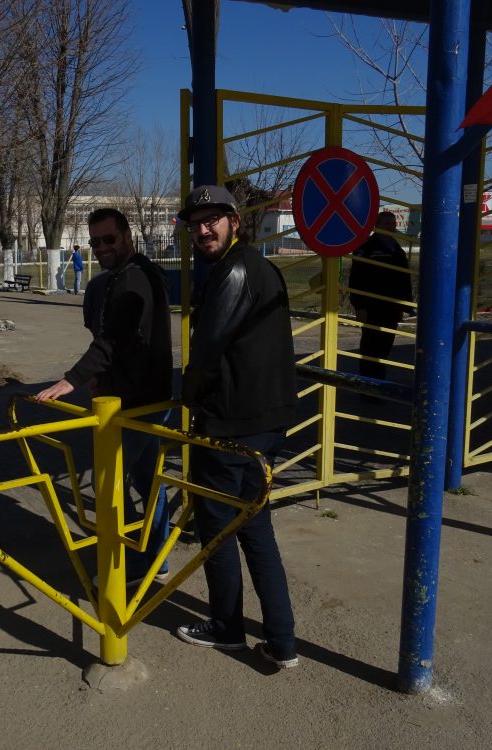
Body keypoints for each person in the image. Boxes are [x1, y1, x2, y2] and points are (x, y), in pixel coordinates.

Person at [174, 184, 300, 670]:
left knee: (218, 530)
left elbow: (207, 349)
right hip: (265, 422)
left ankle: (226, 627)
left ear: (234, 221)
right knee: (256, 527)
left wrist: (187, 396)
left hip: (231, 426)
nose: (203, 230)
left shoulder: (235, 270)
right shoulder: (260, 267)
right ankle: (282, 641)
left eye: (212, 220)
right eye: (195, 224)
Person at [35, 208, 172, 584]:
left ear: (127, 235)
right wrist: (101, 377)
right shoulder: (120, 277)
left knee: (107, 482)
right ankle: (157, 557)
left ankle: (133, 564)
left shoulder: (135, 279)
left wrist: (74, 379)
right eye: (95, 242)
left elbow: (113, 338)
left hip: (139, 403)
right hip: (139, 397)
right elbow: (122, 343)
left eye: (109, 239)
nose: (101, 248)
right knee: (147, 480)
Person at [347, 211, 414, 386]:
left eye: (393, 224)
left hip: (391, 307)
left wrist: (405, 306)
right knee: (371, 348)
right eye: (387, 224)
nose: (391, 227)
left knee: (385, 348)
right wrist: (359, 306)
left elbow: (404, 279)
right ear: (377, 226)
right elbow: (356, 278)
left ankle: (379, 384)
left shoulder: (397, 249)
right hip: (372, 306)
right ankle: (367, 387)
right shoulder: (367, 247)